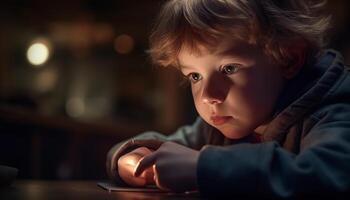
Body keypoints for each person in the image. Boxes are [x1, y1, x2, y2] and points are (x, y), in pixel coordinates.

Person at [106, 0, 350, 198]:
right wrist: (132, 156)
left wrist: (203, 167)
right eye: (194, 75)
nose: (209, 96)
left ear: (288, 59)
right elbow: (170, 148)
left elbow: (327, 177)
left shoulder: (334, 111)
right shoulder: (224, 124)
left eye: (229, 69)